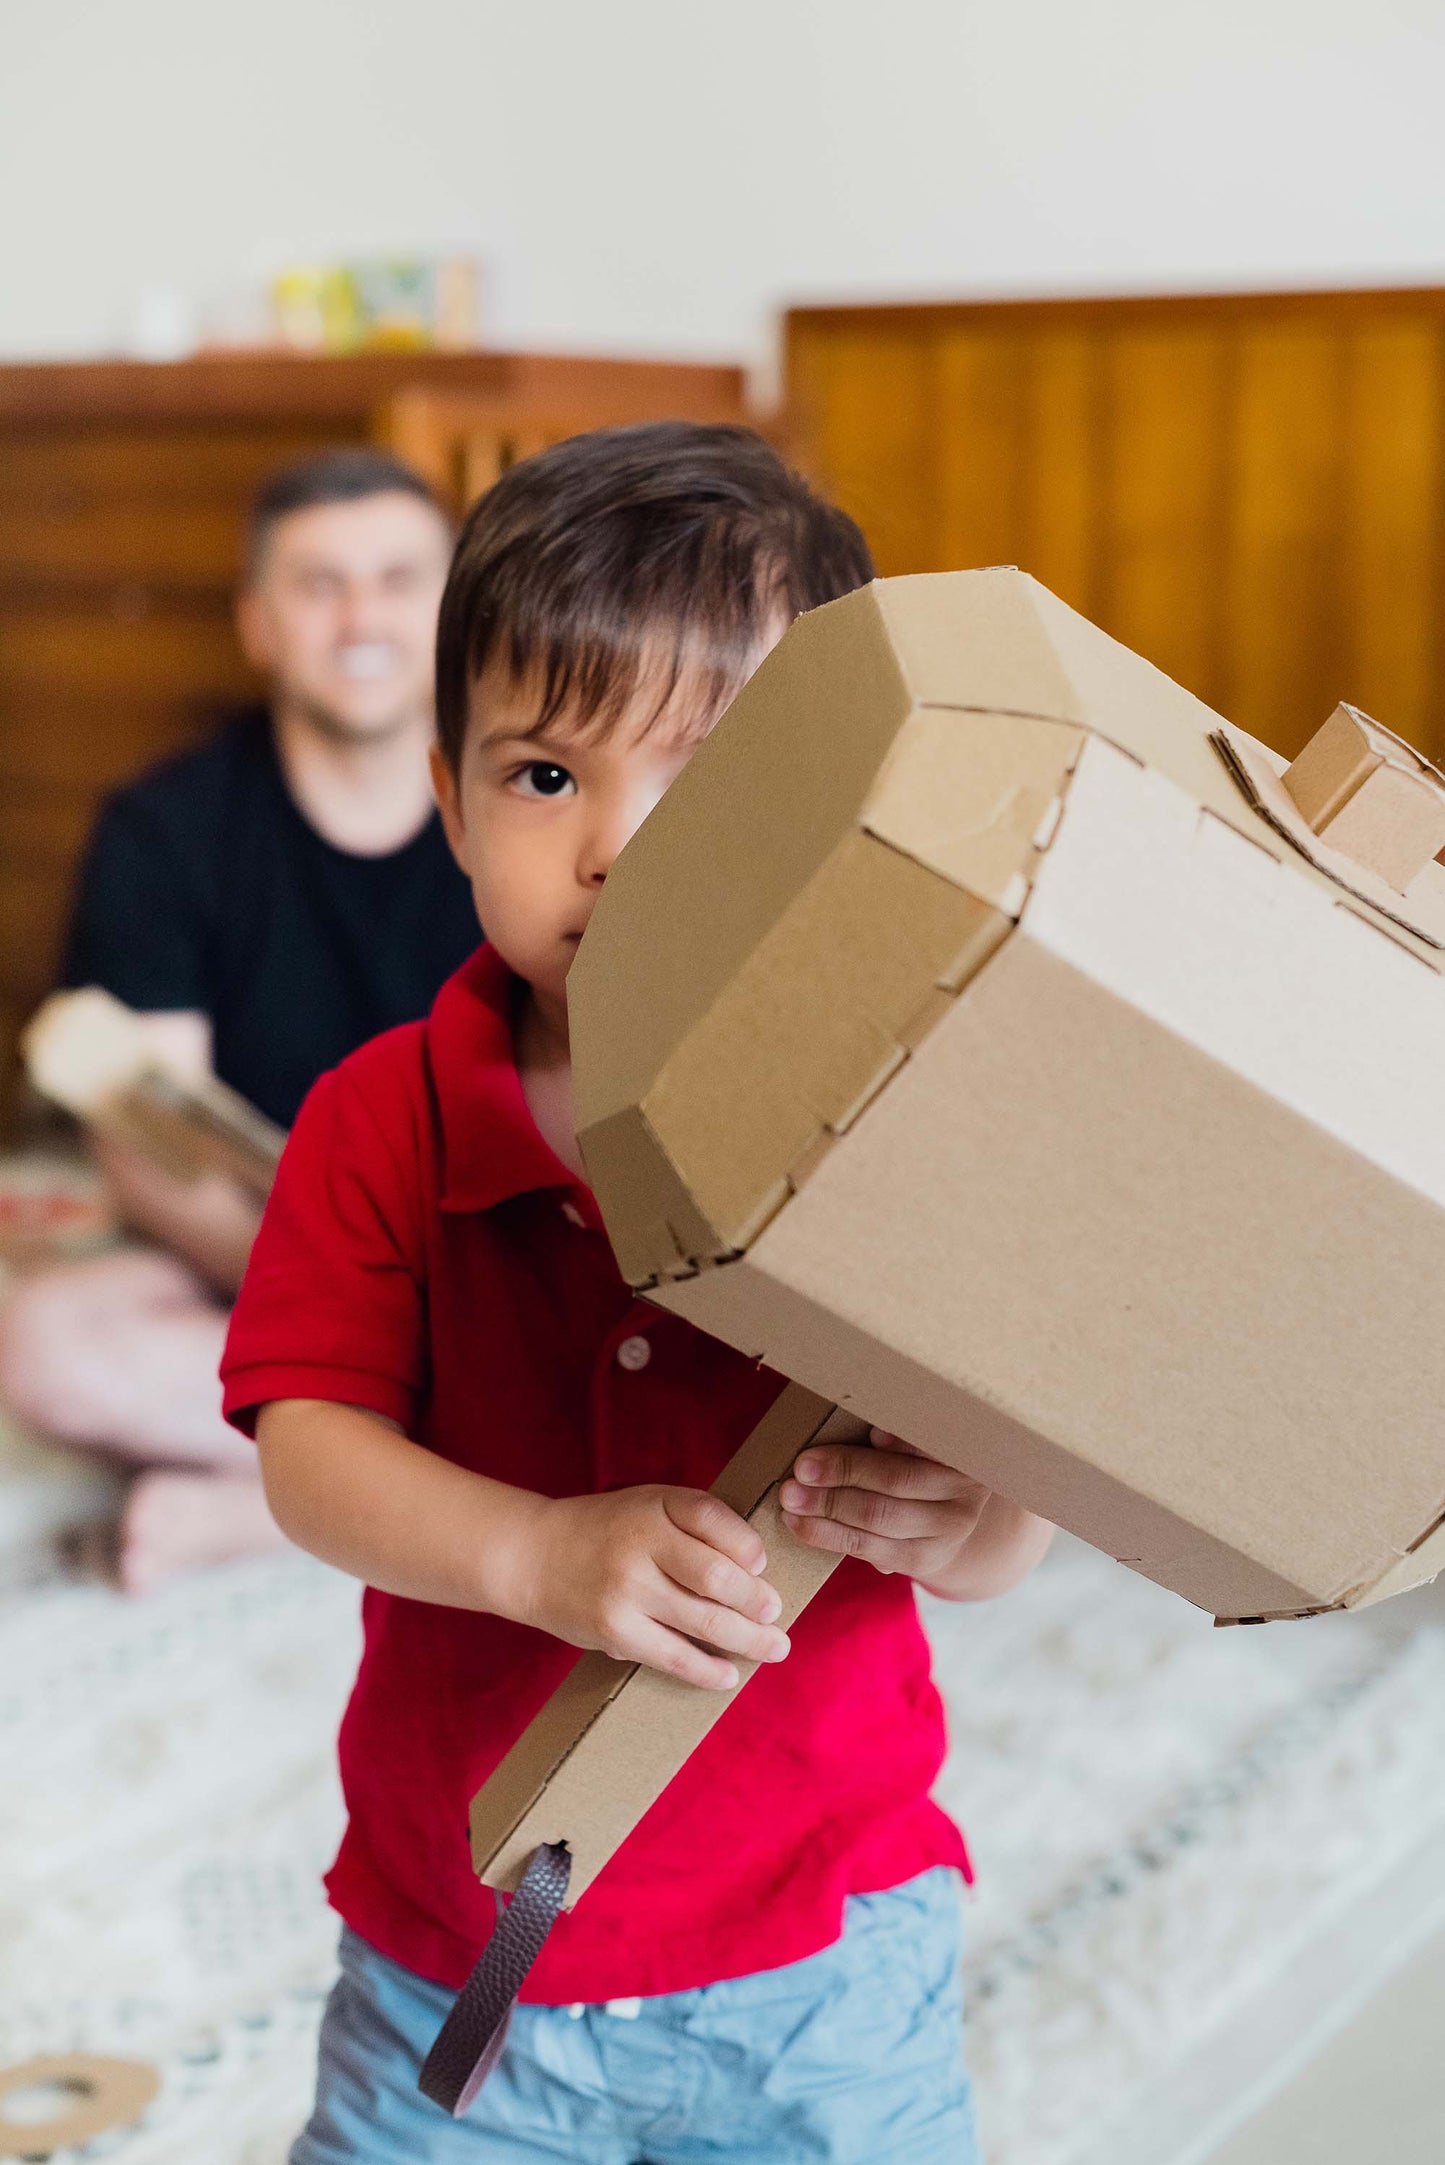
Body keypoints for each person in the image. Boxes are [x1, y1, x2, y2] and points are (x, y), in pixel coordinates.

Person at [221, 422, 1056, 2165]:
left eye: (707, 773)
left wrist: (962, 1517)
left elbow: (1003, 1540)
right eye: (545, 777)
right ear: (446, 800)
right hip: (466, 1949)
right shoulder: (381, 1115)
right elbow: (309, 1452)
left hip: (830, 1949)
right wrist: (538, 1556)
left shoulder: (904, 1106)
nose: (616, 844)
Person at [0, 448, 478, 1592]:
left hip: (489, 1263)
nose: (360, 616)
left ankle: (283, 1503)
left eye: (398, 578)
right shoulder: (164, 829)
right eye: (318, 585)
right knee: (45, 1341)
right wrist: (353, 1300)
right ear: (258, 623)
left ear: (457, 608)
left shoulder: (531, 806)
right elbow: (152, 1148)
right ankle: (421, 1477)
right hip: (267, 1263)